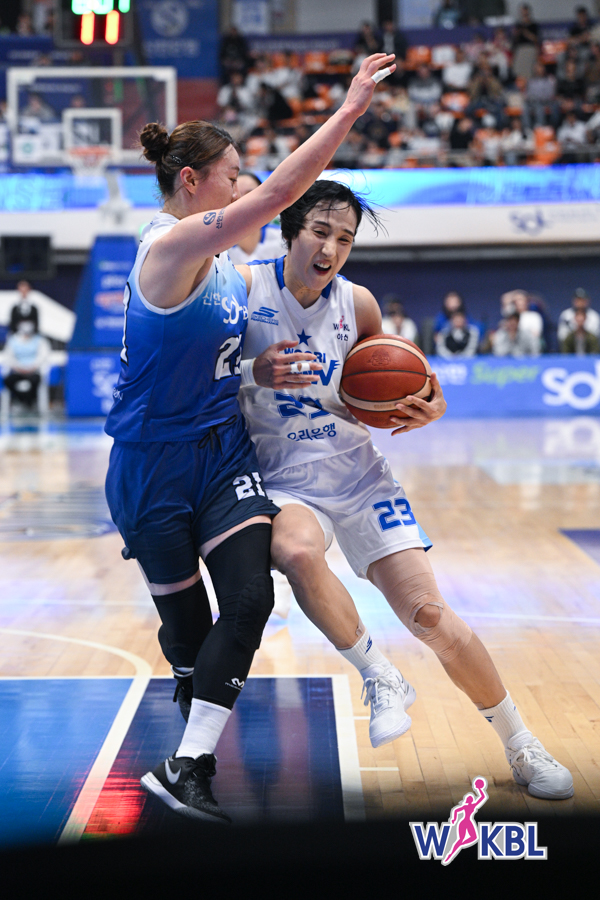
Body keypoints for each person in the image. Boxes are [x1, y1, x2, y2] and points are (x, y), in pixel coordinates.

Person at [103, 53, 397, 824]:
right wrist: (349, 109)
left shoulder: (231, 269)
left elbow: (225, 358)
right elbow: (278, 196)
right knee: (189, 636)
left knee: (250, 596)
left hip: (223, 456)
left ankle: (189, 764)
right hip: (151, 467)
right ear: (193, 181)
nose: (244, 188)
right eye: (233, 176)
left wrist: (257, 369)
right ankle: (191, 683)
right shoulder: (167, 249)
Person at [238, 179, 573, 800]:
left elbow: (404, 382)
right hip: (286, 479)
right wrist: (250, 371)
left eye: (345, 239)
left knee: (430, 616)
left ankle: (522, 742)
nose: (331, 249)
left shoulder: (358, 303)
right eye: (320, 232)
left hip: (360, 475)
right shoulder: (242, 288)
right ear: (289, 231)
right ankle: (379, 673)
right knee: (296, 551)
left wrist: (426, 405)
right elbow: (188, 375)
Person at [228, 172, 284, 265]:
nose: (243, 201)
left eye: (250, 194)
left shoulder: (282, 238)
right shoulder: (215, 246)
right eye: (236, 195)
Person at [2, 319, 50, 409]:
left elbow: (43, 356)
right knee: (8, 380)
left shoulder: (39, 340)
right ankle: (21, 400)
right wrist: (18, 367)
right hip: (18, 371)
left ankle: (30, 402)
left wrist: (32, 367)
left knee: (35, 381)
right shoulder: (13, 340)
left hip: (33, 371)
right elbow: (9, 357)